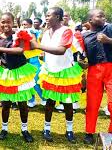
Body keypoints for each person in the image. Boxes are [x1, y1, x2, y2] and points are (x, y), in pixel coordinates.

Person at [31, 7, 82, 143]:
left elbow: (60, 50)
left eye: (49, 15)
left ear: (58, 17)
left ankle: (69, 130)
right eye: (46, 16)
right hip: (50, 72)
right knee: (49, 102)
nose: (46, 18)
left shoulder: (66, 31)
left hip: (65, 72)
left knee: (67, 103)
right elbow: (43, 51)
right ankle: (46, 128)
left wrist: (37, 46)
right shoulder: (46, 32)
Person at [0, 12, 36, 143]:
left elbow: (20, 50)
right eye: (3, 21)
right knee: (6, 104)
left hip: (20, 73)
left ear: (13, 22)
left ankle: (24, 130)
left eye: (8, 21)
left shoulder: (18, 35)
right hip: (6, 73)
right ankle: (4, 129)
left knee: (22, 104)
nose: (5, 24)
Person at [77, 9, 112, 144]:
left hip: (111, 69)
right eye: (100, 16)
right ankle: (89, 133)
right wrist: (82, 64)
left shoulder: (110, 28)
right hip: (93, 70)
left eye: (104, 15)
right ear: (90, 20)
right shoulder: (84, 36)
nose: (103, 17)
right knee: (92, 104)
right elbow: (82, 55)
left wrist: (108, 40)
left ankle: (110, 134)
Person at [25, 18, 47, 107]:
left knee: (36, 80)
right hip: (25, 61)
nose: (24, 26)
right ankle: (31, 100)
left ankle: (44, 99)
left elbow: (35, 46)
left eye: (25, 24)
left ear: (30, 25)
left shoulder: (34, 33)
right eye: (22, 25)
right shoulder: (22, 34)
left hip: (34, 60)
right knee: (28, 82)